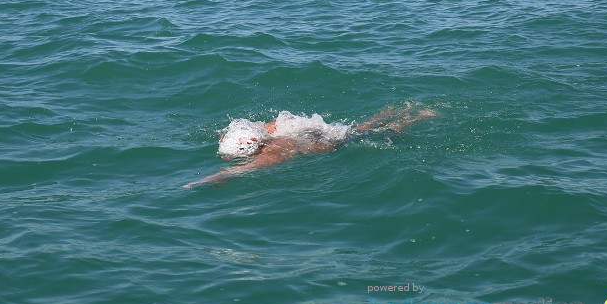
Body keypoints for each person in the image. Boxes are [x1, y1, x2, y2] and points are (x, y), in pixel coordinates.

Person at [183, 105, 437, 188]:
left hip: (325, 143)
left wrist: (204, 181)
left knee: (368, 133)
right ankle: (391, 111)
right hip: (303, 129)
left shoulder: (271, 155)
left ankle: (419, 116)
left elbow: (234, 172)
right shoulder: (269, 130)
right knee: (359, 128)